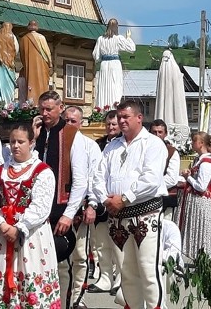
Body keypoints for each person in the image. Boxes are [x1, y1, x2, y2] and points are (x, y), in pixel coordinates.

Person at [90, 100, 168, 309]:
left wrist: (124, 198)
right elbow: (98, 176)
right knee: (126, 271)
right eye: (119, 117)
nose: (121, 121)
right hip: (117, 217)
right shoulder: (112, 146)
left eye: (126, 117)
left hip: (145, 214)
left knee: (149, 269)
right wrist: (106, 199)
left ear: (139, 118)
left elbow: (151, 179)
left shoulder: (152, 143)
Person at [0, 123, 60, 307]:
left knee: (30, 277)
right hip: (2, 235)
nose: (16, 146)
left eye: (21, 141)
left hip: (31, 236)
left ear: (31, 143)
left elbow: (41, 207)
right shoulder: (0, 171)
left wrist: (19, 228)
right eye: (12, 142)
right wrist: (2, 225)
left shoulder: (42, 171)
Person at [32, 91, 89, 308]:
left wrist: (68, 214)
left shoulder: (72, 135)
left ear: (60, 108)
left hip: (60, 209)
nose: (45, 113)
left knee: (62, 263)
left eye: (49, 109)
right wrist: (34, 138)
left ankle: (64, 304)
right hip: (36, 210)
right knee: (36, 261)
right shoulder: (36, 133)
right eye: (42, 109)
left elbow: (80, 181)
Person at [62, 106, 103, 307]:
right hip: (59, 207)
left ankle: (78, 297)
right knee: (61, 257)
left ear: (80, 123)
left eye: (73, 121)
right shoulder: (57, 143)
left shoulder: (89, 146)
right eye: (66, 120)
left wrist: (92, 205)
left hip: (80, 207)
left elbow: (95, 178)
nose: (69, 124)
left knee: (79, 255)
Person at [89, 110, 121, 296]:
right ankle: (105, 277)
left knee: (118, 243)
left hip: (117, 199)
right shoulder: (98, 144)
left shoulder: (124, 145)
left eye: (114, 124)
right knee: (101, 242)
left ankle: (120, 278)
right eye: (108, 124)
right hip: (101, 200)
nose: (111, 127)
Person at [178, 132, 211, 262]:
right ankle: (195, 258)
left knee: (200, 231)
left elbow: (201, 186)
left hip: (200, 202)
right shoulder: (198, 160)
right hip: (194, 201)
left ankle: (202, 259)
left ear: (201, 144)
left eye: (194, 141)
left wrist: (187, 177)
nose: (192, 144)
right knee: (194, 230)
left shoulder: (207, 162)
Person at [91, 18, 136, 107]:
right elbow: (132, 48)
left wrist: (102, 58)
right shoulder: (118, 38)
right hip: (115, 64)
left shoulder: (100, 39)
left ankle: (103, 108)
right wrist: (128, 37)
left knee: (104, 88)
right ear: (117, 27)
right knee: (115, 86)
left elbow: (95, 55)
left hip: (104, 65)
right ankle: (114, 107)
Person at [149, 119, 183, 221]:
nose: (157, 135)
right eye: (154, 132)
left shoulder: (172, 152)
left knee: (164, 229)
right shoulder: (142, 149)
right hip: (145, 199)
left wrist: (150, 185)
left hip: (165, 197)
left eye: (160, 132)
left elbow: (172, 179)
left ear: (165, 134)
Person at [17, 20, 52, 103]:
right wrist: (50, 63)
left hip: (29, 66)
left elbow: (22, 54)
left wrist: (26, 63)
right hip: (42, 65)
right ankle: (42, 101)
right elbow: (47, 52)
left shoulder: (23, 39)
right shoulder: (41, 37)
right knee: (42, 84)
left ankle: (31, 102)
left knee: (30, 83)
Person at [0, 22, 19, 106]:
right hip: (9, 65)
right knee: (9, 86)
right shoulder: (12, 37)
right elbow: (16, 49)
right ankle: (8, 104)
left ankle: (1, 104)